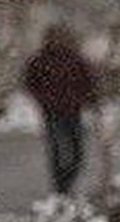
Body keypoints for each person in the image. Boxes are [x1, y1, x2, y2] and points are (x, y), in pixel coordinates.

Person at [22, 23, 98, 195]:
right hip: (52, 112)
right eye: (54, 38)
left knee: (78, 153)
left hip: (73, 111)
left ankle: (67, 184)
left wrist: (90, 100)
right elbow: (30, 83)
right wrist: (44, 99)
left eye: (60, 37)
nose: (57, 41)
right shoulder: (40, 60)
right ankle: (60, 188)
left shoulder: (74, 59)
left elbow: (88, 82)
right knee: (57, 149)